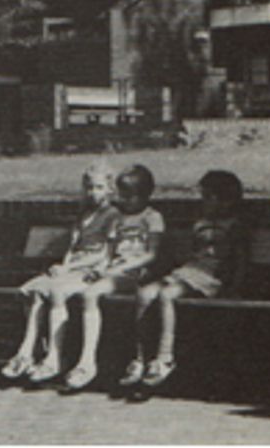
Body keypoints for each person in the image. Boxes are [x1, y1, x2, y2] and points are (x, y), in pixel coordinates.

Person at [123, 170, 246, 393]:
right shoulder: (199, 224)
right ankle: (141, 357)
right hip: (189, 272)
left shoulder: (235, 225)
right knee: (144, 293)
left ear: (225, 199)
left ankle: (165, 356)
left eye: (208, 197)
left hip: (212, 278)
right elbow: (191, 254)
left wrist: (235, 286)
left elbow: (239, 259)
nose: (203, 202)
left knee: (166, 295)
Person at [0, 162, 120, 385]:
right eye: (90, 187)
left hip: (89, 271)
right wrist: (62, 266)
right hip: (72, 268)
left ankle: (54, 357)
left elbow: (104, 254)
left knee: (55, 292)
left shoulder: (112, 215)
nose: (93, 193)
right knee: (34, 291)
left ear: (110, 189)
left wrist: (69, 268)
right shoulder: (83, 215)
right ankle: (26, 352)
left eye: (99, 187)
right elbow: (72, 249)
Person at [56, 164, 164, 392]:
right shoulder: (118, 218)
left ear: (146, 194)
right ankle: (84, 360)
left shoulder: (152, 217)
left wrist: (118, 268)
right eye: (122, 195)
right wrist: (103, 267)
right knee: (82, 292)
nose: (125, 201)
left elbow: (152, 255)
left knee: (91, 294)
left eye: (131, 196)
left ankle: (88, 362)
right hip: (115, 272)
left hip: (135, 274)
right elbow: (108, 250)